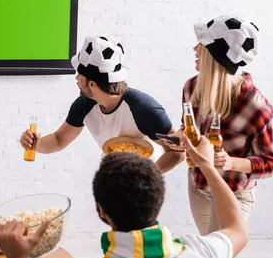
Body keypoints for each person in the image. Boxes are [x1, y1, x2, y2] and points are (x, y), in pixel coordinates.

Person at [0, 134, 249, 258]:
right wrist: (207, 166)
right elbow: (237, 228)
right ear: (158, 200)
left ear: (101, 210)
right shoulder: (201, 253)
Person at [159, 15, 273, 258]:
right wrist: (175, 145)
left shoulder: (258, 108)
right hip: (199, 188)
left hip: (235, 193)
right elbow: (190, 138)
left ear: (216, 56)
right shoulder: (191, 89)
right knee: (219, 257)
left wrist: (231, 162)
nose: (194, 48)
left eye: (201, 44)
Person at [19, 35, 176, 170]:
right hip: (109, 176)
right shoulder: (84, 105)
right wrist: (35, 144)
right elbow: (59, 140)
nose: (76, 78)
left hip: (145, 183)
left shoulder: (143, 108)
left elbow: (176, 152)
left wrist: (148, 176)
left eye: (79, 74)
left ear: (92, 83)